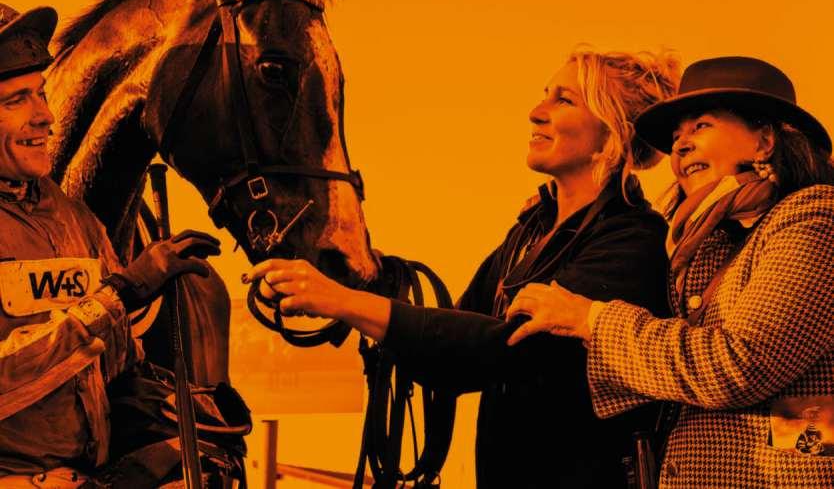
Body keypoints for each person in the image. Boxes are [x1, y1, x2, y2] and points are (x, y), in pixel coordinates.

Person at [245, 48, 681, 487]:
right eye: (545, 94)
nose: (536, 112)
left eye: (564, 100)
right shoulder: (531, 232)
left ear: (613, 135)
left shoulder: (634, 241)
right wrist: (350, 277)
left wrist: (343, 301)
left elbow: (500, 351)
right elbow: (450, 343)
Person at [505, 56, 834, 488]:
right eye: (676, 137)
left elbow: (738, 365)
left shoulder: (814, 218)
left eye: (701, 126)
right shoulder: (698, 243)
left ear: (764, 141)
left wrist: (593, 320)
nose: (680, 147)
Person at [0, 3, 221, 487]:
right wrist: (119, 294)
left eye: (41, 94)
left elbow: (108, 362)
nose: (46, 116)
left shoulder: (72, 217)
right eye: (16, 100)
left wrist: (169, 410)